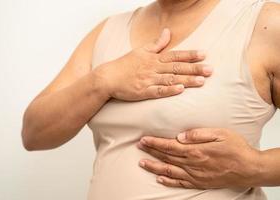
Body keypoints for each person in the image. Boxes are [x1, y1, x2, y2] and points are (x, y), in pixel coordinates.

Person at [21, 0, 280, 199]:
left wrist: (255, 167)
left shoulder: (265, 24)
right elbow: (34, 134)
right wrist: (104, 80)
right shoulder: (108, 31)